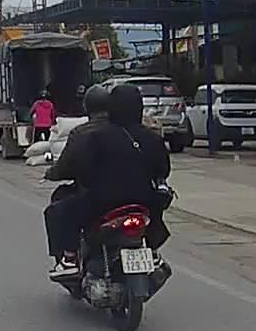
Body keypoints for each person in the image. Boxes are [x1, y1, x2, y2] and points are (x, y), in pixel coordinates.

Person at [42, 84, 171, 278]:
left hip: (103, 203)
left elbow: (85, 170)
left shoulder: (96, 137)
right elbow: (163, 171)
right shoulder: (152, 138)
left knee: (60, 211)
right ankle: (152, 251)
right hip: (144, 201)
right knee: (155, 209)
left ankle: (69, 258)